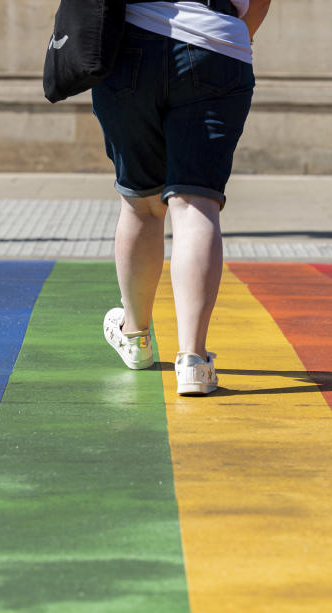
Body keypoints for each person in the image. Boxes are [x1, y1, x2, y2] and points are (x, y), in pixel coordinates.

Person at [95, 0, 270, 396]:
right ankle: (193, 360)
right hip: (217, 43)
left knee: (140, 203)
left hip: (131, 41)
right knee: (195, 203)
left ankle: (136, 335)